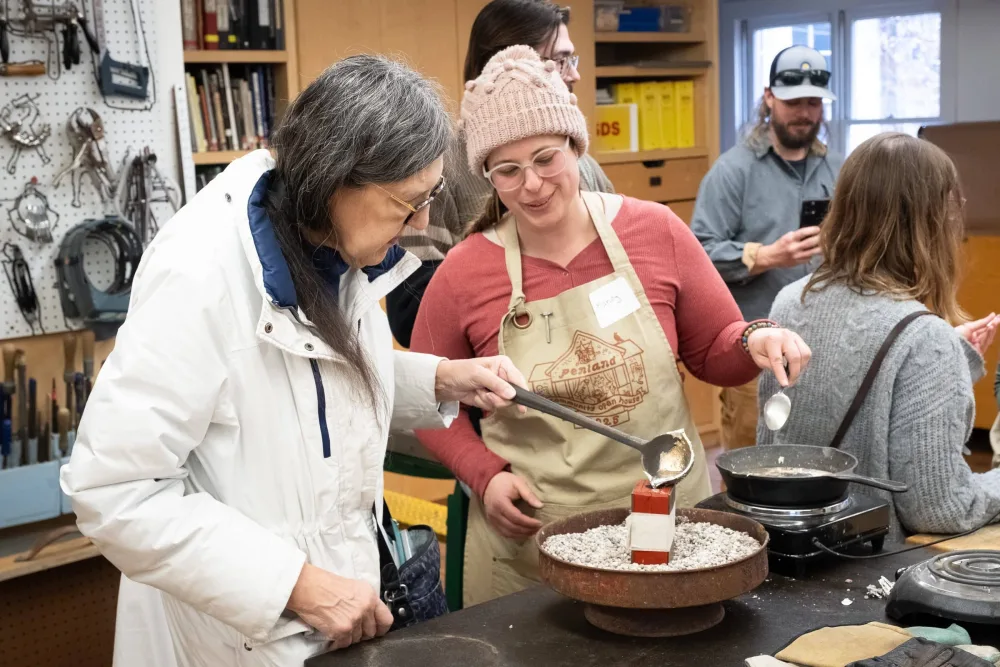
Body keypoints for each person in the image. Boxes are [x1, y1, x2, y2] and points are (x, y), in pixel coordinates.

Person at [59, 55, 528, 667]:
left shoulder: (327, 241)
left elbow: (302, 389)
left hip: (334, 606)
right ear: (337, 180)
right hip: (238, 630)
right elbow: (113, 492)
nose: (424, 221)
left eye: (431, 194)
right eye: (409, 202)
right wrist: (295, 585)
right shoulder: (199, 278)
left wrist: (437, 379)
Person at [410, 46, 812, 607]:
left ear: (577, 146)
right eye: (508, 170)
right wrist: (486, 474)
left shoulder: (656, 231)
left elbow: (714, 349)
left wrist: (757, 339)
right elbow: (427, 398)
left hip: (674, 527)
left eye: (547, 158)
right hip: (536, 547)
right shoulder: (463, 274)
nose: (532, 184)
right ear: (487, 177)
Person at [757, 132, 1000, 542]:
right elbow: (939, 508)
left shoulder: (788, 303)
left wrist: (951, 354)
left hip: (792, 560)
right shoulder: (925, 339)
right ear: (933, 221)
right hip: (869, 580)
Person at [386, 0, 614, 349]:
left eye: (572, 59)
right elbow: (408, 319)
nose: (574, 74)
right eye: (558, 61)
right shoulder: (438, 170)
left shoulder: (585, 169)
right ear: (503, 66)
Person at [690, 44, 841, 452]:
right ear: (769, 97)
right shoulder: (731, 172)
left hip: (826, 350)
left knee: (816, 464)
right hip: (756, 353)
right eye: (793, 101)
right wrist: (766, 256)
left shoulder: (838, 170)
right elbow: (700, 255)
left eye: (813, 102)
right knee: (748, 464)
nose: (805, 112)